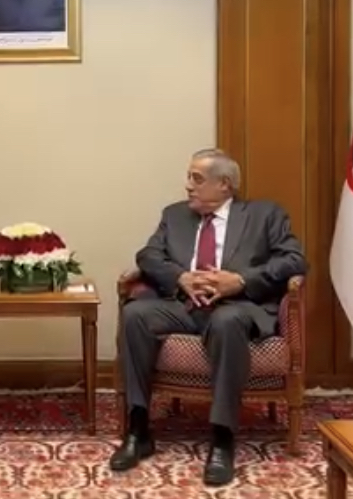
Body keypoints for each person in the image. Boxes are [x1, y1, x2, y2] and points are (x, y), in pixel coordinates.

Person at [110, 148, 307, 486]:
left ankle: (222, 438)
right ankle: (138, 430)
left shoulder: (265, 215)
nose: (188, 185)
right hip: (183, 308)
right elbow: (148, 255)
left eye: (197, 179)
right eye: (189, 177)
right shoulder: (174, 215)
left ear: (225, 184)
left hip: (237, 307)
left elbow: (294, 260)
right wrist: (180, 278)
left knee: (226, 322)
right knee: (135, 314)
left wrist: (240, 280)